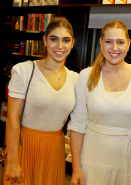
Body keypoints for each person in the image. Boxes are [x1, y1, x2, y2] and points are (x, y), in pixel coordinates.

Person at [68, 19, 131, 185]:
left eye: (120, 42)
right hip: (92, 164)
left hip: (130, 165)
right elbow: (77, 125)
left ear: (129, 44)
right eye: (109, 42)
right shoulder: (86, 76)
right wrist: (76, 168)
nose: (114, 48)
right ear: (101, 43)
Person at [4, 17, 78, 185]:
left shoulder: (76, 79)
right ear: (45, 41)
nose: (60, 46)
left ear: (72, 43)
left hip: (55, 150)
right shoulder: (25, 71)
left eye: (66, 40)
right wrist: (13, 161)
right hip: (25, 147)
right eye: (54, 39)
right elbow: (12, 119)